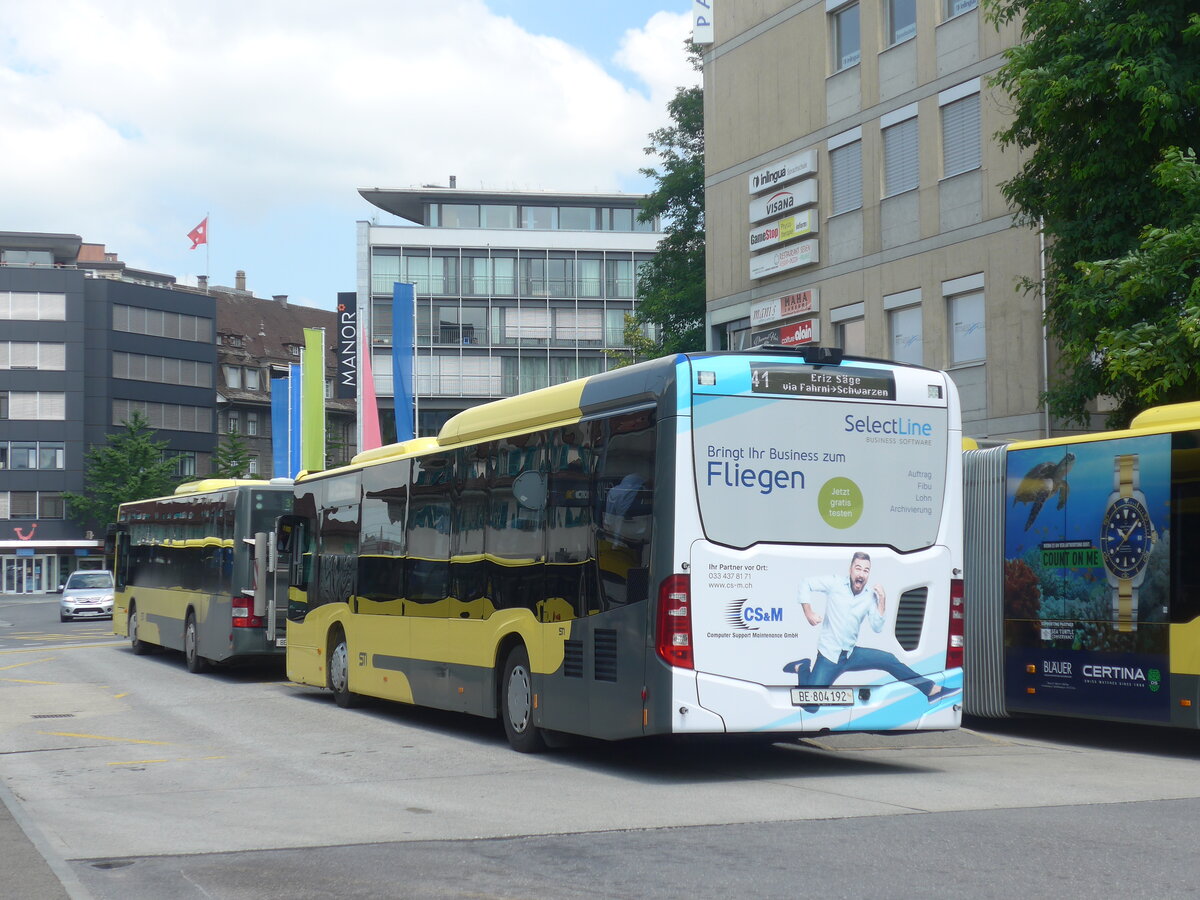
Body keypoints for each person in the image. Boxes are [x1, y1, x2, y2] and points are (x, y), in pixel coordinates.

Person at [784, 551, 946, 703]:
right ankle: (803, 667)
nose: (861, 574)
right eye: (858, 568)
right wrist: (808, 612)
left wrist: (882, 600)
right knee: (810, 705)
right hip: (829, 656)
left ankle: (931, 689)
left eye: (866, 570)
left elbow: (877, 627)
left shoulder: (870, 596)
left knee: (888, 659)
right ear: (851, 569)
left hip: (851, 654)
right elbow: (806, 583)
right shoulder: (835, 583)